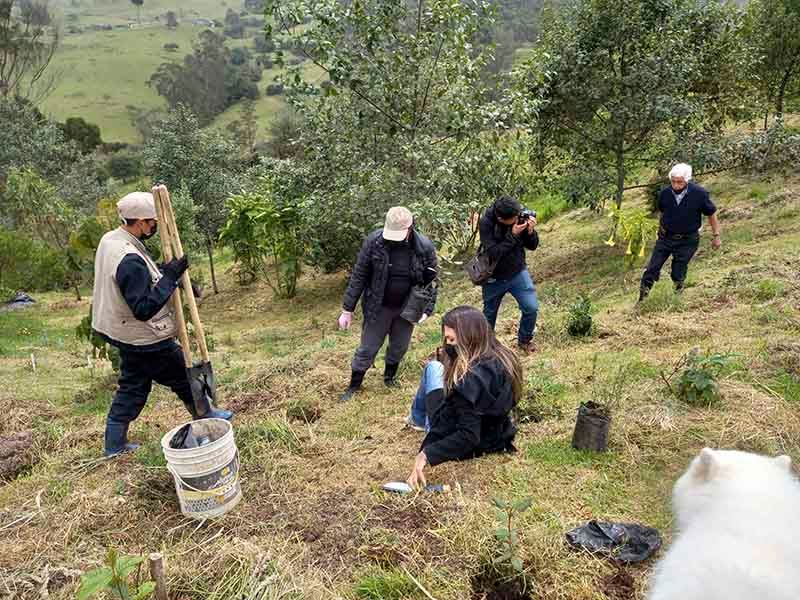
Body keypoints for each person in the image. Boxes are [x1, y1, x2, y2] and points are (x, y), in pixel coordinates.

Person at [92, 192, 233, 457]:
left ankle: (114, 444)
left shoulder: (112, 239)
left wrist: (167, 275)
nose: (155, 227)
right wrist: (169, 277)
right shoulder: (128, 258)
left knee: (134, 384)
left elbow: (138, 277)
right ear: (142, 222)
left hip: (120, 330)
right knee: (182, 372)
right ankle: (206, 415)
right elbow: (144, 308)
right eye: (153, 222)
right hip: (141, 335)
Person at [406, 306, 522, 487]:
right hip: (496, 437)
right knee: (438, 369)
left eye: (451, 339)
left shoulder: (466, 381)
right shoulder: (505, 359)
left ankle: (417, 419)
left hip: (456, 436)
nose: (448, 344)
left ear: (469, 338)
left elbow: (468, 436)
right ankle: (416, 418)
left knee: (433, 368)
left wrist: (426, 454)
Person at [337, 206, 438, 401]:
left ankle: (389, 377)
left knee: (399, 346)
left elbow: (431, 281)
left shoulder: (424, 247)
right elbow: (359, 275)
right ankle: (354, 385)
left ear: (409, 228)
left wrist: (427, 308)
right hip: (379, 305)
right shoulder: (374, 242)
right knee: (367, 348)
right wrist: (347, 309)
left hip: (408, 307)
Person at [639, 163, 721, 302]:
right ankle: (642, 300)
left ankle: (677, 295)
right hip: (665, 238)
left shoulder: (699, 194)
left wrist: (716, 236)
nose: (676, 185)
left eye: (680, 182)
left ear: (687, 180)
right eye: (673, 181)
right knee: (652, 269)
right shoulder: (664, 194)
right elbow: (662, 212)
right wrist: (660, 229)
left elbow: (711, 214)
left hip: (688, 240)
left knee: (678, 270)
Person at [478, 195, 540, 353]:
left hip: (517, 272)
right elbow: (493, 253)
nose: (516, 219)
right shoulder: (486, 222)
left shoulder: (517, 214)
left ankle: (525, 340)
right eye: (512, 219)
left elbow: (532, 246)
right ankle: (486, 348)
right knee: (489, 315)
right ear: (500, 218)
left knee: (531, 308)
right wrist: (512, 235)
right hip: (494, 277)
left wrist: (530, 231)